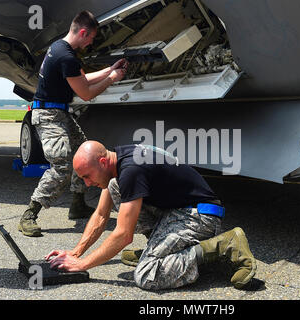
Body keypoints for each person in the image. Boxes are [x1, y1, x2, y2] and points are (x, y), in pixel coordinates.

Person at [45, 141, 260, 290]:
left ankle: (225, 245)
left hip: (200, 216)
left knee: (147, 274)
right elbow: (101, 215)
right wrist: (75, 253)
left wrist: (82, 265)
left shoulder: (130, 170)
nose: (87, 183)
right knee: (114, 186)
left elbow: (123, 235)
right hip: (180, 210)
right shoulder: (118, 160)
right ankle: (157, 249)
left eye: (87, 176)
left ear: (102, 162)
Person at [18, 11, 129, 237]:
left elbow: (81, 80)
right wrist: (112, 79)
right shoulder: (66, 57)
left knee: (84, 154)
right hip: (48, 115)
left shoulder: (60, 48)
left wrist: (109, 69)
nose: (90, 43)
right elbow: (86, 94)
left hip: (60, 113)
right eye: (91, 38)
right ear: (82, 32)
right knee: (62, 165)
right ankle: (29, 214)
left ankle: (77, 204)